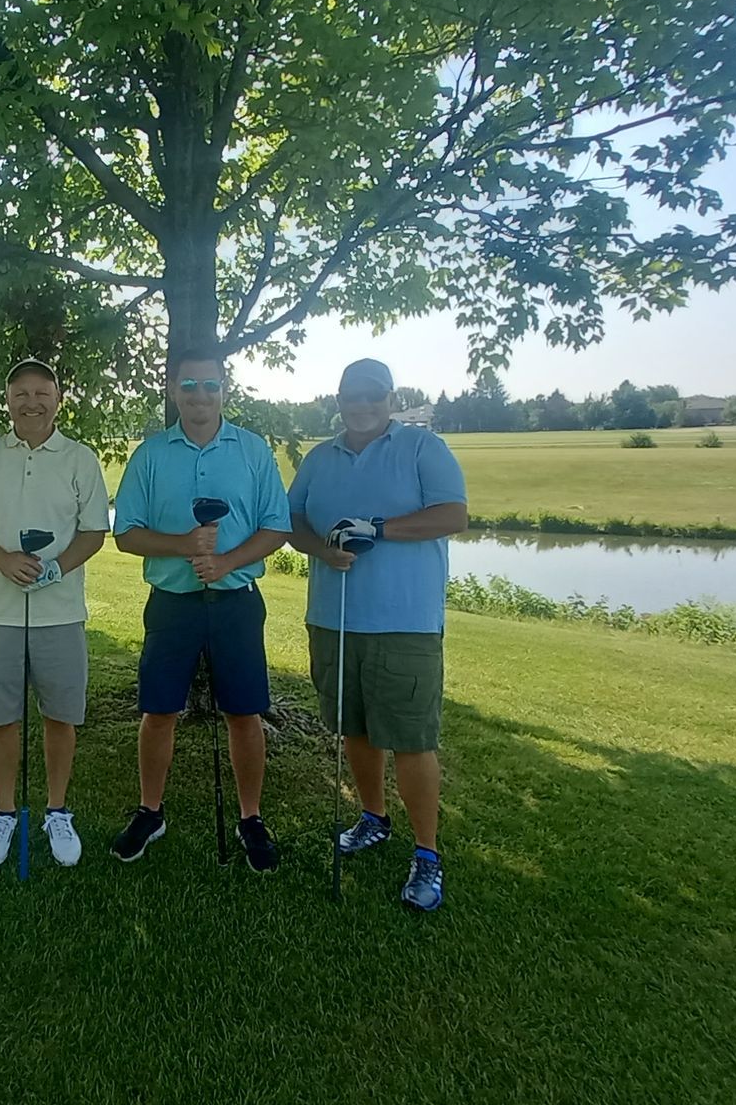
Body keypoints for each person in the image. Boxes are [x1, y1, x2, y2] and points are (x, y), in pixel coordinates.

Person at [286, 357, 467, 911]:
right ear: (337, 398)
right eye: (351, 395)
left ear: (390, 397)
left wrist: (379, 530)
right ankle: (373, 818)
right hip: (336, 617)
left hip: (405, 622)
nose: (361, 405)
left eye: (373, 395)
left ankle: (427, 855)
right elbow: (292, 524)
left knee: (412, 740)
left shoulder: (422, 449)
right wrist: (324, 550)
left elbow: (453, 515)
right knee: (354, 730)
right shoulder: (320, 458)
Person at [108, 344, 293, 871]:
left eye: (210, 385)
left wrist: (228, 559)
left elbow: (276, 526)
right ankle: (150, 810)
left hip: (235, 602)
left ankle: (251, 817)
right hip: (172, 603)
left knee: (244, 712)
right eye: (188, 385)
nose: (200, 395)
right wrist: (186, 546)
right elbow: (127, 534)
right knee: (159, 710)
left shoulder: (253, 451)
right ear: (173, 391)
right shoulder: (150, 455)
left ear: (224, 390)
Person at [0, 359, 110, 870]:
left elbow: (92, 532)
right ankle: (4, 812)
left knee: (60, 716)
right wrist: (4, 560)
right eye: (21, 393)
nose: (31, 402)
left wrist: (55, 569)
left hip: (60, 613)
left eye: (42, 393)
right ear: (8, 399)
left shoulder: (80, 458)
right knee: (0, 719)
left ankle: (57, 811)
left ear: (58, 399)